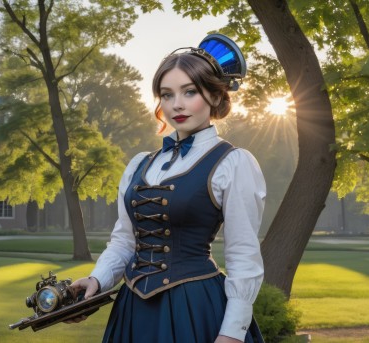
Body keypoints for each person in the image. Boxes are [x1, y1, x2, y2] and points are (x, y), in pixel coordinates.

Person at [71, 34, 266, 343]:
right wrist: (98, 278)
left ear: (215, 97)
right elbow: (124, 241)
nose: (177, 104)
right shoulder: (139, 164)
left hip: (195, 309)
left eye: (190, 92)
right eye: (167, 94)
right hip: (133, 311)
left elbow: (243, 256)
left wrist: (232, 333)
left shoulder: (233, 163)